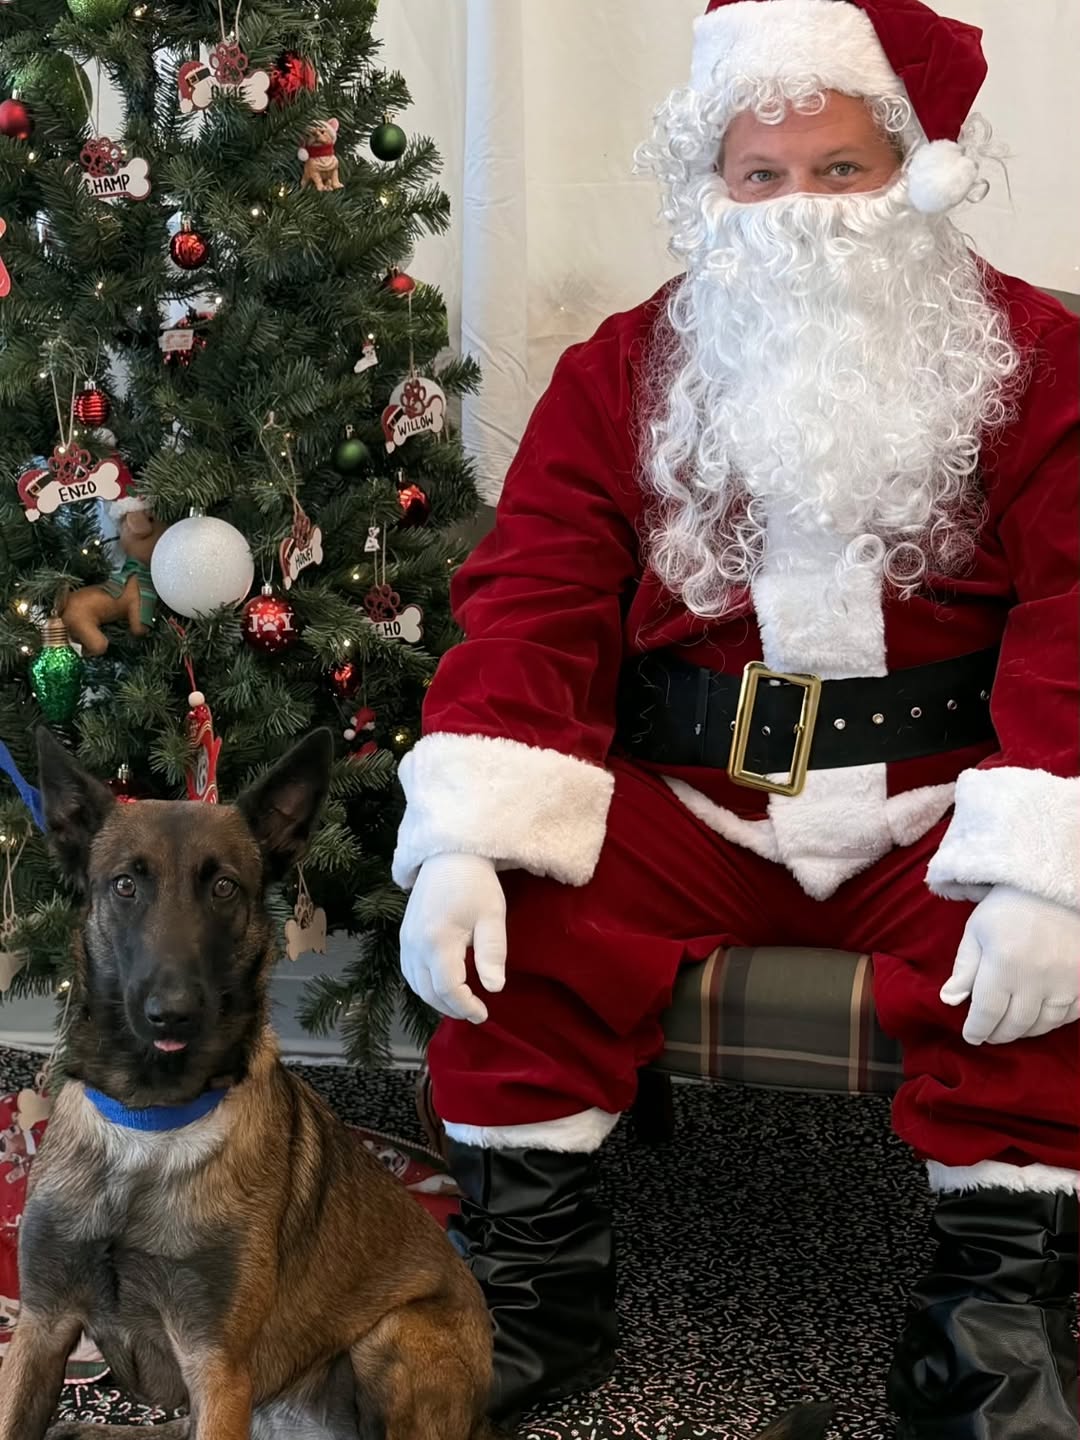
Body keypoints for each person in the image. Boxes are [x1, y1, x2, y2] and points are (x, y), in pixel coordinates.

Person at [393, 0, 1080, 1433]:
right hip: (695, 799)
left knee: (1037, 965)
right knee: (523, 919)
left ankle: (987, 1331)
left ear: (920, 170)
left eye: (841, 170)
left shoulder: (1037, 361)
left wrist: (1044, 858)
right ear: (712, 185)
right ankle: (532, 1300)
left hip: (942, 799)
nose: (799, 212)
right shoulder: (621, 368)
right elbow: (537, 595)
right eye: (760, 176)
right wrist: (471, 832)